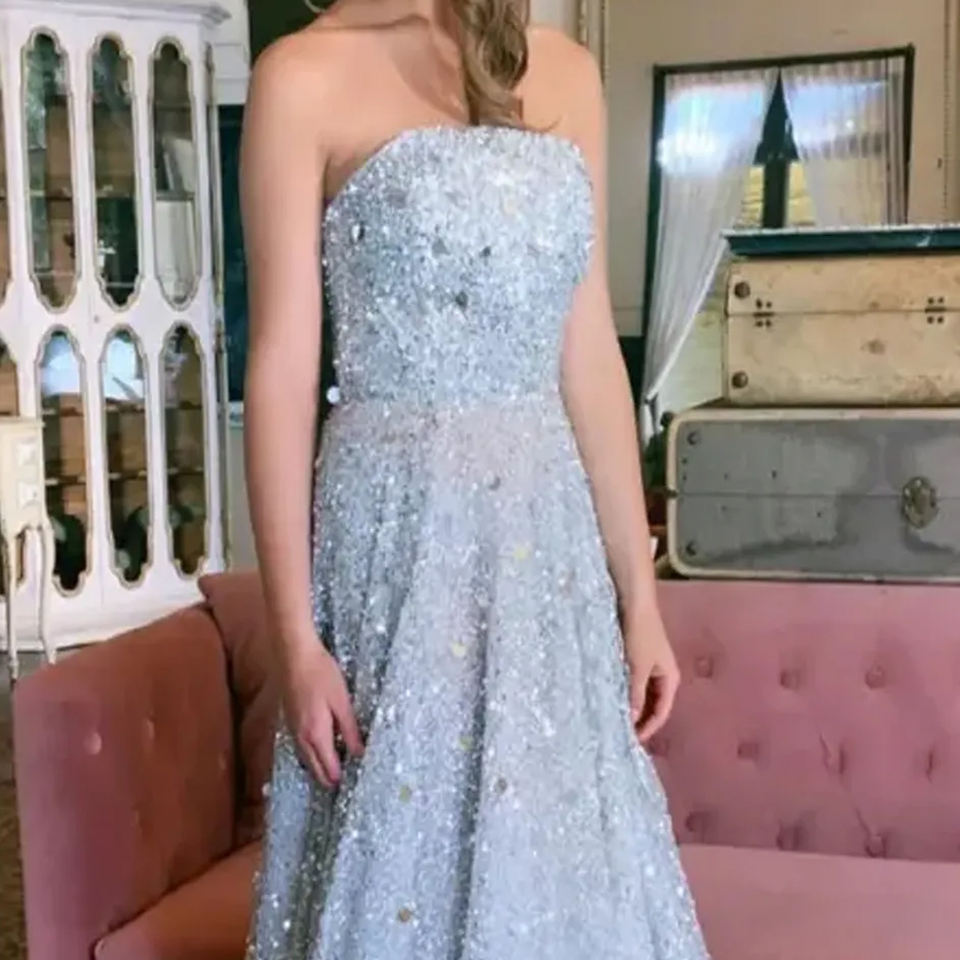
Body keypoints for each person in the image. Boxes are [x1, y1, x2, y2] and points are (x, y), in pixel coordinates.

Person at [239, 0, 711, 957]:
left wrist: (641, 597)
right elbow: (282, 370)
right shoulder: (300, 76)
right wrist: (293, 639)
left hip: (545, 546)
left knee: (554, 861)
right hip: (395, 541)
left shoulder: (566, 72)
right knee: (397, 861)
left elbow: (588, 350)